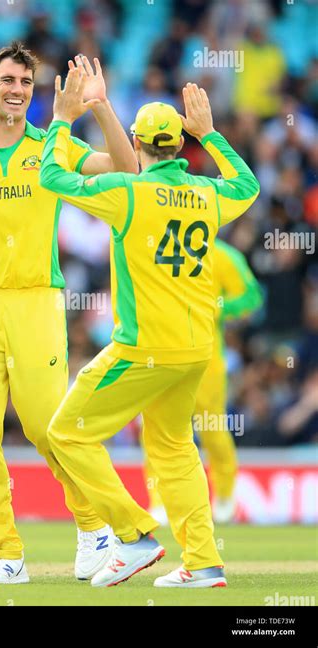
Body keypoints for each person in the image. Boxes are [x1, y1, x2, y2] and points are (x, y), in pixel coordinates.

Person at [0, 41, 139, 584]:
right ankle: (6, 553)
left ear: (34, 93)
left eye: (25, 83)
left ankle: (93, 528)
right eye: (7, 80)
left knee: (47, 428)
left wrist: (102, 106)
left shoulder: (53, 146)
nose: (16, 90)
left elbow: (127, 169)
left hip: (38, 299)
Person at [40, 71, 260, 587]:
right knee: (175, 449)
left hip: (143, 348)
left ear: (136, 144)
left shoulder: (127, 192)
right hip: (196, 349)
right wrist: (211, 133)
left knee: (66, 433)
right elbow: (248, 184)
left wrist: (62, 119)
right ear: (180, 144)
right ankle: (203, 563)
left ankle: (135, 534)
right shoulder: (207, 193)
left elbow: (51, 178)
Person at [145, 239, 264, 526]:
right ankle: (160, 501)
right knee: (157, 428)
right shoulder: (158, 247)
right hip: (162, 353)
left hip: (207, 361)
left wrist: (216, 307)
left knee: (211, 428)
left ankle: (224, 497)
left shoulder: (223, 255)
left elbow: (252, 296)